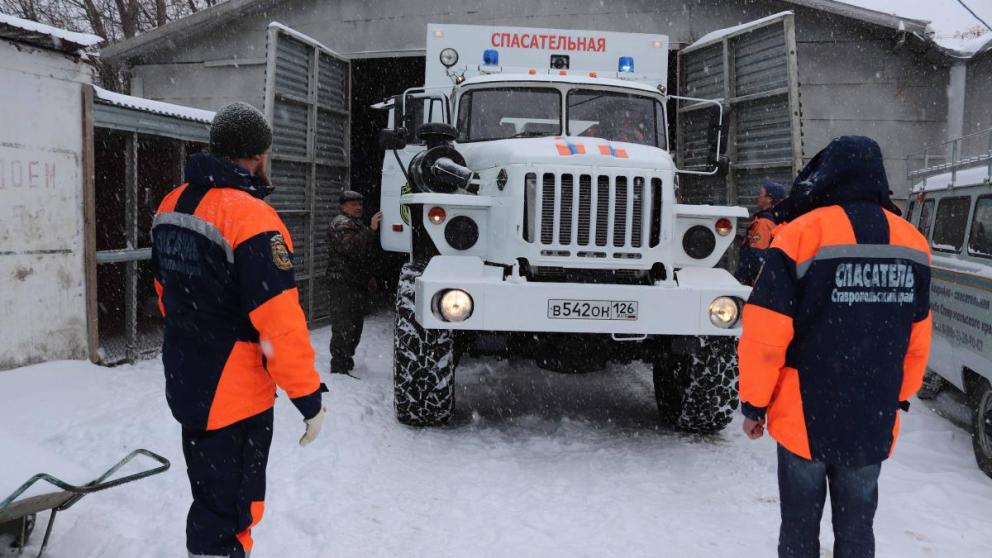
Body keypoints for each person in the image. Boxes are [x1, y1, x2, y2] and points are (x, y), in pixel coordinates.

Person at [738, 136, 932, 558]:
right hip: (871, 416)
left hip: (803, 416)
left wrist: (754, 403)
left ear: (826, 174)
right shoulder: (913, 244)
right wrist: (895, 396)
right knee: (858, 531)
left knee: (799, 531)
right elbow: (918, 341)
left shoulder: (799, 234)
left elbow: (765, 334)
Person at [151, 102, 327, 558]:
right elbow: (280, 321)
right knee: (231, 510)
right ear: (258, 154)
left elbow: (164, 289)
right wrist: (307, 396)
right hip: (234, 393)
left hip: (188, 376)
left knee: (210, 497)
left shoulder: (172, 204)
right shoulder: (251, 217)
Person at [326, 190, 382, 376]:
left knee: (355, 325)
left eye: (360, 204)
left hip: (355, 282)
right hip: (342, 282)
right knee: (344, 325)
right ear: (343, 207)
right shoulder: (341, 223)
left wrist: (369, 277)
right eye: (353, 204)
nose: (358, 207)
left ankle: (346, 359)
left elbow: (364, 255)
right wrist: (371, 229)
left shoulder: (354, 223)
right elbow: (352, 248)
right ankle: (339, 366)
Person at [735, 180, 787, 285]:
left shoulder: (764, 222)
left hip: (755, 283)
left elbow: (757, 257)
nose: (758, 197)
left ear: (769, 199)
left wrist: (742, 279)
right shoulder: (776, 219)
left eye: (761, 194)